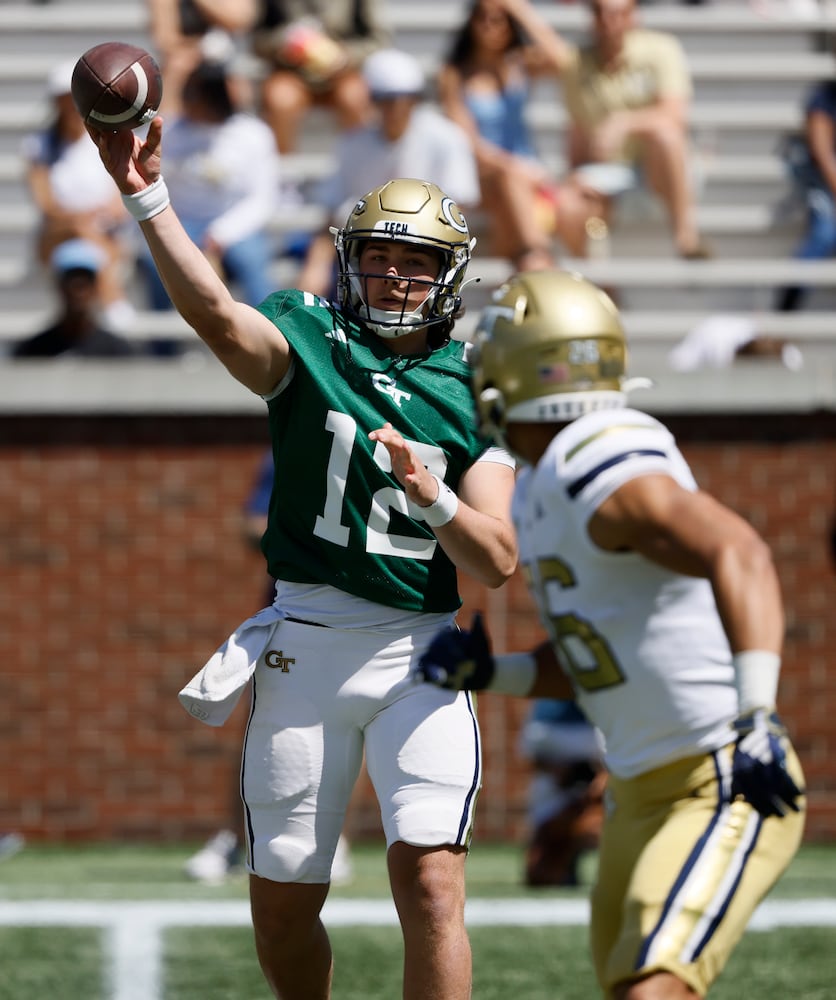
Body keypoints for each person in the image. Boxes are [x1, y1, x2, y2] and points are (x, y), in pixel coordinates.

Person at [85, 104, 517, 998]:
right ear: (351, 258)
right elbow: (216, 316)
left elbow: (498, 558)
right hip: (306, 642)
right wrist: (149, 199)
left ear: (450, 276)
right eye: (379, 255)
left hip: (421, 654)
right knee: (283, 902)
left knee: (432, 883)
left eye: (417, 260)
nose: (394, 274)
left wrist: (431, 493)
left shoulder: (482, 387)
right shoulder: (311, 336)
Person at [415, 269, 806, 999]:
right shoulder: (540, 481)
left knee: (652, 989)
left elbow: (739, 550)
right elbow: (593, 661)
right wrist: (490, 672)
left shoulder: (598, 452)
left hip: (717, 770)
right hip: (636, 787)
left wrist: (757, 718)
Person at [184, 449, 355, 886]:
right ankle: (233, 836)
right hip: (295, 603)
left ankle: (335, 839)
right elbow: (253, 523)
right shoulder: (292, 439)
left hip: (368, 608)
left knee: (356, 719)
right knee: (263, 718)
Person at [531, 0, 709, 260]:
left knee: (666, 135)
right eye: (601, 13)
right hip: (613, 173)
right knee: (567, 202)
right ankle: (600, 285)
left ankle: (685, 234)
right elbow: (577, 135)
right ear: (591, 17)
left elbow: (674, 117)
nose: (609, 22)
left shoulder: (661, 48)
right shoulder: (578, 64)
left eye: (617, 13)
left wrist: (624, 123)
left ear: (634, 15)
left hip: (662, 170)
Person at [296, 47, 480, 297]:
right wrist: (316, 264)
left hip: (426, 247)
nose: (395, 108)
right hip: (364, 246)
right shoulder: (353, 143)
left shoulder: (446, 138)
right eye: (387, 100)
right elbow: (332, 210)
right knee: (317, 261)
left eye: (403, 100)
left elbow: (461, 206)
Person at [438, 0, 608, 264]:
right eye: (482, 17)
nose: (489, 26)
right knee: (512, 183)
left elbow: (562, 59)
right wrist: (518, 168)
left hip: (523, 176)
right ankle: (537, 254)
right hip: (483, 176)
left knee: (575, 205)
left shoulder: (517, 63)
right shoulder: (454, 74)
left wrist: (518, 8)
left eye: (498, 19)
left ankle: (555, 269)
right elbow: (469, 144)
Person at [137, 59, 280, 312]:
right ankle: (163, 349)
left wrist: (220, 234)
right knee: (154, 261)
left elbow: (262, 200)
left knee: (252, 260)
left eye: (193, 94)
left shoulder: (253, 134)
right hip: (180, 223)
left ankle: (276, 333)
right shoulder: (168, 130)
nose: (186, 100)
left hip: (234, 226)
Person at [22, 61, 135, 331]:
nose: (71, 108)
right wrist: (86, 220)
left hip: (102, 232)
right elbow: (47, 206)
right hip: (60, 233)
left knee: (85, 231)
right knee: (82, 229)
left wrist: (86, 222)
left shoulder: (109, 140)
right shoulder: (39, 146)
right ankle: (113, 300)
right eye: (65, 100)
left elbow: (118, 204)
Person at [252, 0, 390, 154]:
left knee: (354, 97)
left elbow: (379, 39)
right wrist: (285, 41)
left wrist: (346, 56)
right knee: (280, 99)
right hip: (291, 73)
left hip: (345, 73)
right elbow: (258, 39)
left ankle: (358, 166)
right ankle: (282, 170)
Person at [517, 697, 605, 888]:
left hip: (595, 727)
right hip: (553, 736)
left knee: (596, 824)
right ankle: (561, 857)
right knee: (540, 876)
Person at [9, 239, 141, 358]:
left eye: (86, 281)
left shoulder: (118, 351)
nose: (78, 290)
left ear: (95, 287)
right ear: (59, 286)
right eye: (71, 280)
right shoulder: (32, 351)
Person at [774, 79, 836, 313]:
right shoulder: (825, 96)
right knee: (824, 233)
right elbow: (823, 153)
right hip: (823, 185)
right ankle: (787, 306)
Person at [147, 0, 260, 117]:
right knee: (176, 67)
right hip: (187, 57)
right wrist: (199, 49)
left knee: (236, 76)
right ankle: (168, 127)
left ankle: (240, 122)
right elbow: (165, 40)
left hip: (227, 56)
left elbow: (240, 21)